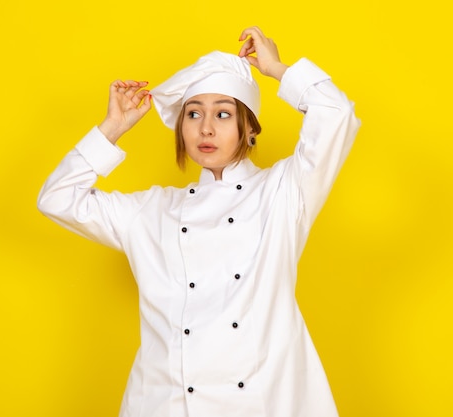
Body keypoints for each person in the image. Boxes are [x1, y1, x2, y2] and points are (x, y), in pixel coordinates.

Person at [38, 26, 360, 417]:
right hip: (164, 405)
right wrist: (112, 129)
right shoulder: (151, 211)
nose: (206, 128)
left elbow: (336, 114)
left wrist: (277, 69)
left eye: (223, 114)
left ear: (249, 127)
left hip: (258, 404)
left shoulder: (282, 192)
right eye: (193, 114)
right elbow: (56, 199)